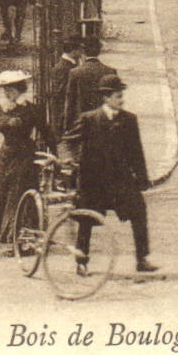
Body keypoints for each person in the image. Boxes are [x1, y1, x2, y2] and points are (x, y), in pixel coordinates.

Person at [61, 74, 157, 275]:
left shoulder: (129, 120)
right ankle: (81, 262)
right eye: (118, 96)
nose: (122, 100)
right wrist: (70, 161)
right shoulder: (89, 119)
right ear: (106, 98)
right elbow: (68, 141)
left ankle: (142, 259)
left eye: (122, 96)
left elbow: (136, 152)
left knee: (139, 211)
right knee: (85, 220)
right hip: (93, 181)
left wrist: (142, 179)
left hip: (121, 181)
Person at [0, 70, 55, 244]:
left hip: (25, 157)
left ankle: (16, 234)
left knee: (17, 194)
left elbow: (47, 133)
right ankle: (1, 232)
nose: (7, 93)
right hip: (5, 157)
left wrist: (55, 157)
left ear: (21, 89)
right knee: (1, 194)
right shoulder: (1, 109)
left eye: (11, 90)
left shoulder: (32, 109)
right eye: (5, 90)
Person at [62, 38, 115, 121]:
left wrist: (67, 127)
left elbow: (70, 102)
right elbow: (114, 100)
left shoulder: (75, 72)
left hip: (82, 120)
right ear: (99, 51)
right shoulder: (110, 71)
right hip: (104, 120)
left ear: (84, 51)